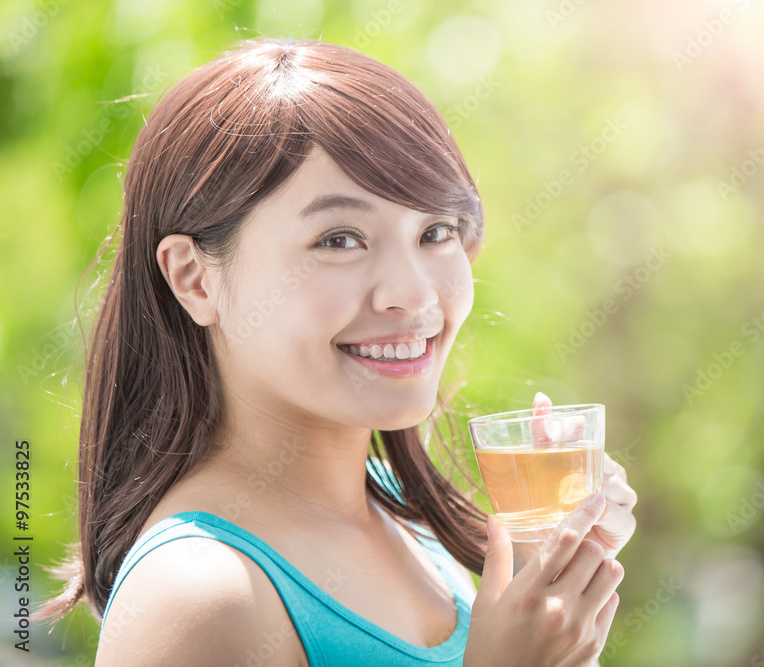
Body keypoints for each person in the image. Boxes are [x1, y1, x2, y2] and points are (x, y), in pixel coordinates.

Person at [40, 37, 638, 666]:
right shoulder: (199, 596)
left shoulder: (407, 521)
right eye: (341, 238)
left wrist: (557, 588)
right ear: (194, 277)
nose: (411, 293)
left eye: (436, 231)